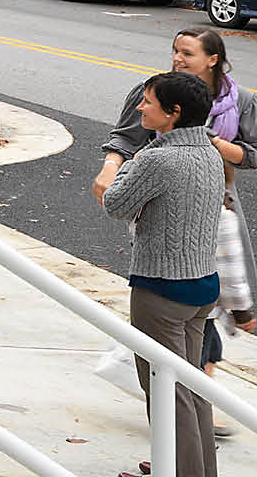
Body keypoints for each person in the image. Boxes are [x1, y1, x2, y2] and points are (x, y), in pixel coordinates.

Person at [96, 28, 257, 401]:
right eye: (175, 50)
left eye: (187, 53)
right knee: (190, 345)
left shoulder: (239, 105)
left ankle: (185, 435)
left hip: (203, 213)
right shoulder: (158, 93)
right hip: (167, 210)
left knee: (171, 373)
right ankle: (196, 423)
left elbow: (255, 153)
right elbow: (124, 138)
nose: (177, 58)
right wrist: (114, 167)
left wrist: (213, 145)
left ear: (212, 59)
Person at [100, 71, 226, 477]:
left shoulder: (156, 159)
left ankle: (181, 471)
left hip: (161, 289)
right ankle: (196, 468)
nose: (140, 107)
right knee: (192, 388)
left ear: (173, 114)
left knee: (166, 391)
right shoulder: (209, 151)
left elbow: (115, 204)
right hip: (202, 286)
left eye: (148, 102)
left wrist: (128, 166)